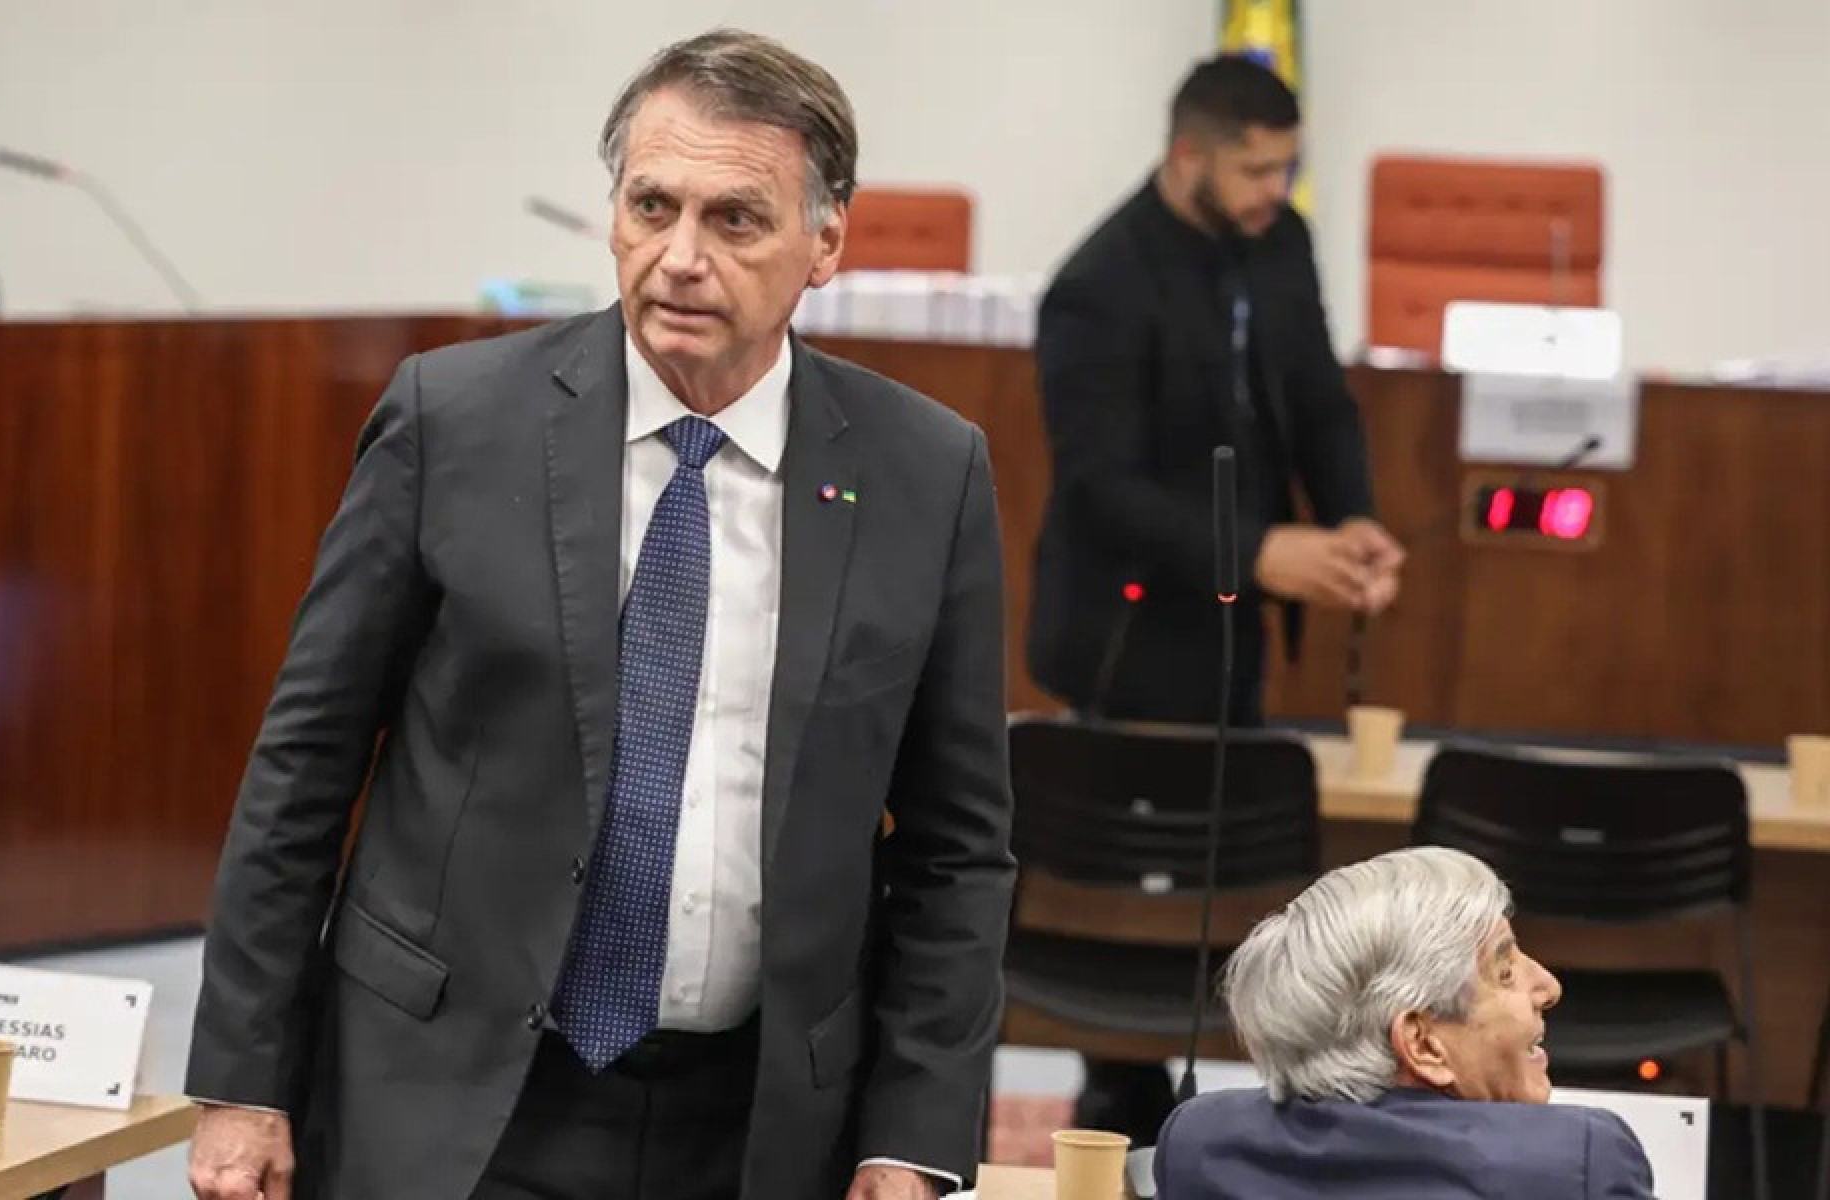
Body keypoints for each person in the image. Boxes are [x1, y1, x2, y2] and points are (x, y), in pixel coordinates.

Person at [184, 29, 1015, 1200]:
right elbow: (303, 767)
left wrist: (910, 1137)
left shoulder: (927, 474)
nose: (681, 258)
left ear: (826, 242)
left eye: (736, 220)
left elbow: (956, 849)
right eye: (652, 206)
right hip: (451, 1091)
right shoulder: (454, 423)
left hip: (762, 1121)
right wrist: (242, 1081)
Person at [1025, 53, 1404, 1137]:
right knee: (1133, 906)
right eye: (1256, 170)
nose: (1276, 191)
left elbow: (1318, 398)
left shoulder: (1277, 241)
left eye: (1288, 168)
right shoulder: (1098, 284)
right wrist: (1259, 552)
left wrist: (1351, 517)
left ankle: (1224, 1086)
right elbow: (1102, 490)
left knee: (1226, 875)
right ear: (1189, 155)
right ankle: (1120, 1095)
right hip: (1123, 637)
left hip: (1234, 634)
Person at [1153, 846, 1656, 1199]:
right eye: (1504, 971)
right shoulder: (1577, 1164)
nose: (1548, 986)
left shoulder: (1201, 1145)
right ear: (1423, 1044)